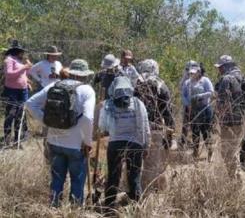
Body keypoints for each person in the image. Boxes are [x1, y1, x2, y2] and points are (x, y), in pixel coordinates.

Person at [25, 59, 95, 207]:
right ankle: (74, 211)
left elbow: (30, 103)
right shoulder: (87, 90)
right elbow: (88, 118)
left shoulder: (54, 85)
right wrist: (88, 142)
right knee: (77, 180)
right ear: (84, 75)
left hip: (54, 141)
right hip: (76, 145)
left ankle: (53, 208)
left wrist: (46, 122)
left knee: (56, 179)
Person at [98, 76, 150, 207]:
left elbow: (102, 127)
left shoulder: (107, 104)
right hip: (135, 144)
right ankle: (136, 208)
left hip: (115, 144)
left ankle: (109, 207)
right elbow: (145, 127)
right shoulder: (138, 103)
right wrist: (146, 146)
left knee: (113, 177)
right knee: (134, 177)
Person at [135, 59, 175, 190]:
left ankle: (136, 189)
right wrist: (170, 134)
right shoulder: (160, 85)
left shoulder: (136, 84)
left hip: (136, 129)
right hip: (154, 129)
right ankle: (149, 191)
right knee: (151, 162)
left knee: (136, 162)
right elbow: (167, 111)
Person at [214, 55, 244, 179]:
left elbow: (222, 102)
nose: (219, 70)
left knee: (227, 152)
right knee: (234, 149)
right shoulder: (242, 77)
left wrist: (218, 119)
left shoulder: (226, 79)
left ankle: (235, 178)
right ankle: (236, 176)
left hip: (228, 121)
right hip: (239, 120)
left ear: (226, 67)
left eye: (220, 67)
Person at [2, 40, 32, 146]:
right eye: (21, 51)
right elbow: (9, 74)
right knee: (11, 114)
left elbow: (22, 74)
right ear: (16, 51)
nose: (22, 53)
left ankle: (19, 138)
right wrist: (24, 67)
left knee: (21, 114)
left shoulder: (19, 61)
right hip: (12, 91)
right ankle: (7, 138)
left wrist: (27, 80)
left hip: (23, 90)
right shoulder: (9, 60)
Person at [183, 65, 214, 161]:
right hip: (193, 110)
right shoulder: (187, 82)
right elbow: (184, 95)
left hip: (205, 109)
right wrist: (187, 104)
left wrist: (199, 96)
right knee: (195, 132)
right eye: (191, 73)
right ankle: (195, 153)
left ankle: (210, 153)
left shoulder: (205, 80)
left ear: (199, 72)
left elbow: (211, 92)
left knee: (206, 132)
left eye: (194, 72)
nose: (192, 74)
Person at [179, 60, 200, 148]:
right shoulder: (185, 78)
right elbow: (181, 89)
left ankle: (196, 145)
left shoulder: (200, 77)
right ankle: (183, 142)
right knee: (185, 124)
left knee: (196, 125)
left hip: (198, 105)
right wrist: (187, 103)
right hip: (187, 105)